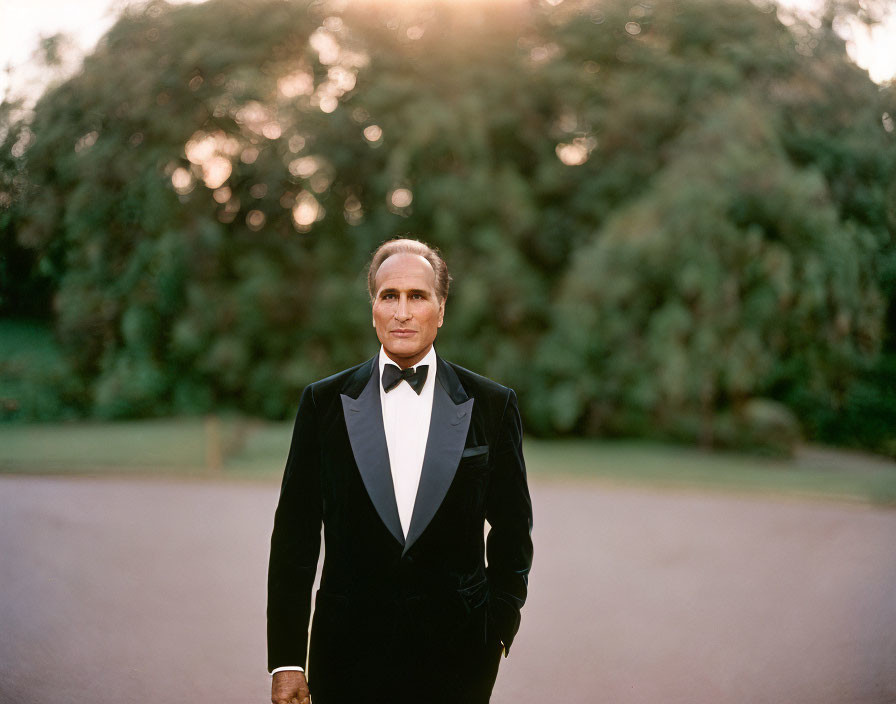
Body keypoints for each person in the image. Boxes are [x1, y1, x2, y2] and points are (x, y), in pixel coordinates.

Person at [267, 238, 533, 704]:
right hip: (346, 661)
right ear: (373, 307)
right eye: (389, 296)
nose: (402, 312)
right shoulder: (322, 404)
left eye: (418, 296)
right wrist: (287, 659)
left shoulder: (492, 405)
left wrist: (497, 630)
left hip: (459, 663)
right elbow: (295, 538)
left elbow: (514, 531)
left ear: (441, 309)